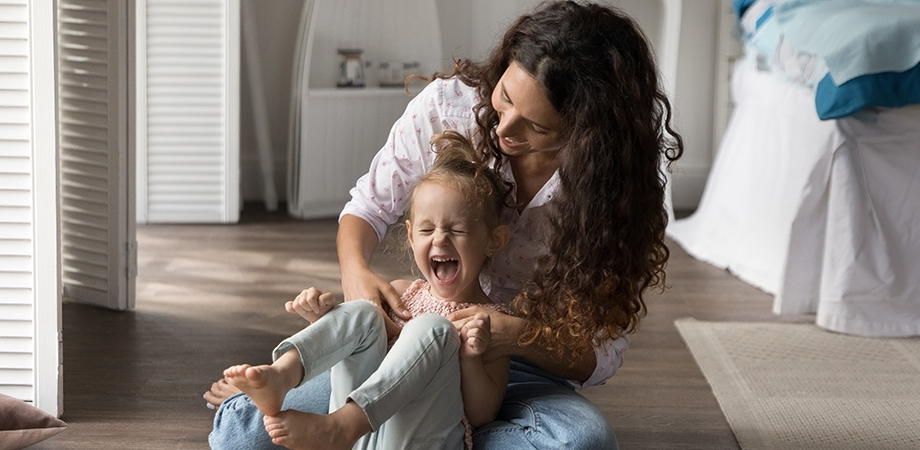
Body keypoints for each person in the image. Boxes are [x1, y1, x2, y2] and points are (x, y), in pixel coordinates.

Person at [207, 1, 682, 449]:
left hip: (519, 371)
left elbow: (600, 352)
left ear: (587, 132)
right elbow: (366, 208)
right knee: (243, 430)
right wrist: (356, 279)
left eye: (536, 128)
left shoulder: (618, 190)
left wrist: (514, 335)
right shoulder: (448, 109)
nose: (504, 129)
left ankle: (406, 434)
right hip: (398, 368)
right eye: (505, 98)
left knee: (582, 442)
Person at [220, 131, 514, 450]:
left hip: (419, 440)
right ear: (412, 236)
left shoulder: (493, 322)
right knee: (362, 311)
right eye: (427, 229)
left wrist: (470, 359)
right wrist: (323, 319)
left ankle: (340, 426)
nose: (440, 239)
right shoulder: (402, 295)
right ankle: (284, 374)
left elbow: (483, 414)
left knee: (436, 331)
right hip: (366, 440)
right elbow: (358, 357)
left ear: (493, 241)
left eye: (457, 230)